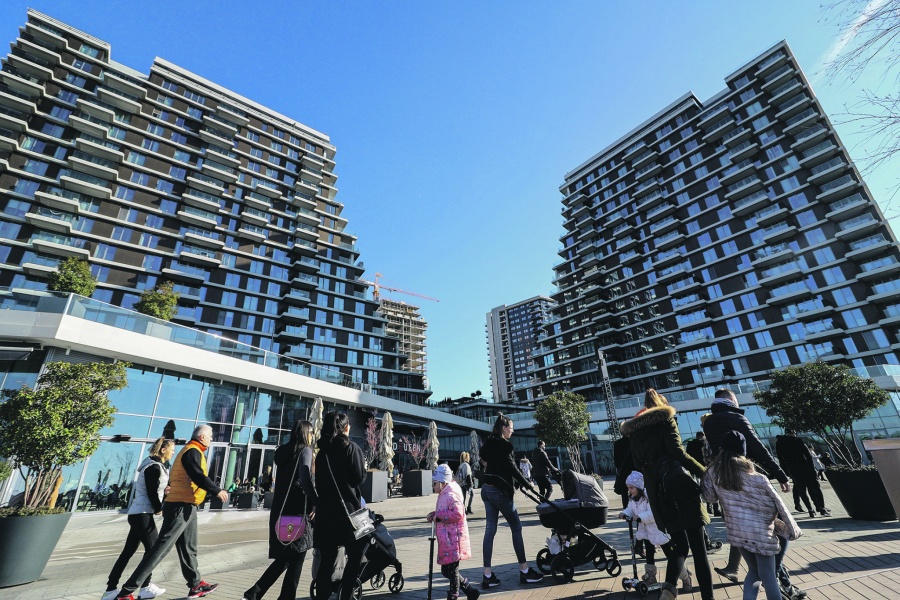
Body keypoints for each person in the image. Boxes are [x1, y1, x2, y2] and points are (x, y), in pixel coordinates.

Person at [620, 389, 713, 600]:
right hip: (679, 489)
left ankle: (668, 590)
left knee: (679, 545)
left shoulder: (633, 431)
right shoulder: (666, 419)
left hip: (658, 495)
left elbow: (637, 464)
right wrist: (704, 472)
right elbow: (678, 452)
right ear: (662, 404)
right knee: (699, 550)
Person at [116, 425, 227, 600]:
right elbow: (197, 475)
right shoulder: (192, 451)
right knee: (160, 549)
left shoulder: (194, 450)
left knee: (188, 548)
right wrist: (216, 490)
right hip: (179, 506)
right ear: (202, 437)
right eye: (211, 436)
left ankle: (196, 585)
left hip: (188, 505)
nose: (212, 439)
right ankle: (126, 592)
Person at [701, 389, 790, 586]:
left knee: (740, 523)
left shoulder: (709, 422)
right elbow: (757, 446)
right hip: (748, 476)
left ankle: (736, 568)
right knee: (780, 525)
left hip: (725, 478)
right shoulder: (734, 417)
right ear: (732, 400)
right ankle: (777, 574)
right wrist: (780, 474)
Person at [701, 431, 802, 600]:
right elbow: (780, 506)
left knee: (754, 572)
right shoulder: (758, 478)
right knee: (769, 576)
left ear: (721, 449)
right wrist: (792, 529)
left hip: (738, 532)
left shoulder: (714, 473)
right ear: (743, 452)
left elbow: (710, 498)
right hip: (762, 533)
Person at [241, 420, 317, 600]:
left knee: (287, 557)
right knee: (296, 557)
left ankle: (254, 593)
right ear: (305, 432)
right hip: (299, 510)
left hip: (282, 509)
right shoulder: (305, 450)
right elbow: (305, 479)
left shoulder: (282, 452)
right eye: (311, 432)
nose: (313, 435)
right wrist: (316, 501)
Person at [102, 437, 175, 600]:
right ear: (163, 450)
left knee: (128, 552)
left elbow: (153, 489)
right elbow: (150, 490)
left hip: (138, 514)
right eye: (172, 449)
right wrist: (158, 507)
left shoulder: (155, 466)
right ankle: (145, 586)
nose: (173, 452)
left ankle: (110, 590)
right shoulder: (153, 467)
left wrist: (164, 494)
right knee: (154, 550)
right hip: (142, 514)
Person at [480, 414, 544, 589]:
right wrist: (528, 485)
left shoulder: (489, 442)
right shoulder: (505, 446)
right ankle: (525, 572)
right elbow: (512, 469)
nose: (513, 430)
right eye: (511, 427)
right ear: (503, 428)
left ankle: (487, 576)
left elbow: (483, 455)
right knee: (516, 527)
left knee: (489, 531)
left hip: (486, 489)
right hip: (499, 492)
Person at [313, 411, 367, 600]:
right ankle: (345, 595)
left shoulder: (321, 455)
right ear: (345, 428)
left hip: (325, 516)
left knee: (326, 562)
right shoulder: (351, 448)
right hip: (349, 514)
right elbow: (359, 478)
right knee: (354, 557)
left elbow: (317, 484)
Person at [618, 471, 693, 592]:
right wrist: (624, 513)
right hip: (646, 531)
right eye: (628, 488)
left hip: (658, 531)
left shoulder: (648, 497)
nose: (629, 490)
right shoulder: (633, 499)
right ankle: (651, 577)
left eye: (631, 487)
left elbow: (653, 513)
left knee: (671, 556)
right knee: (649, 554)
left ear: (639, 486)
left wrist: (640, 516)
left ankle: (685, 577)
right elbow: (630, 509)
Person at [427, 464, 480, 600]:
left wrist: (438, 516)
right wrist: (435, 514)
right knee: (446, 570)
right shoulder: (444, 493)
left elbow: (458, 513)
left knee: (452, 570)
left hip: (454, 539)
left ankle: (453, 595)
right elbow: (446, 512)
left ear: (443, 483)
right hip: (448, 539)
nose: (433, 486)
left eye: (434, 483)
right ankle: (470, 590)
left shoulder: (451, 495)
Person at [776, 431, 830, 518]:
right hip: (804, 466)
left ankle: (810, 509)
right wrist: (812, 468)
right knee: (815, 487)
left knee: (801, 489)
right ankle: (822, 508)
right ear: (794, 433)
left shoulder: (779, 442)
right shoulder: (797, 440)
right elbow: (807, 455)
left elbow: (780, 458)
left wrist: (786, 471)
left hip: (792, 467)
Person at [613, 427, 634, 510]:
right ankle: (637, 510)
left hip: (623, 472)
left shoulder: (618, 443)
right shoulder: (634, 442)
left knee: (624, 494)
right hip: (635, 471)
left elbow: (616, 461)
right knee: (637, 491)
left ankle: (627, 511)